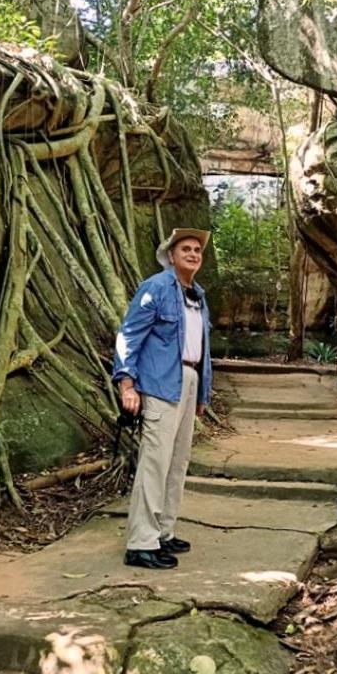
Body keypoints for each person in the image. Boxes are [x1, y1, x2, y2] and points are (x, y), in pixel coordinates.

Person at [113, 228, 212, 569]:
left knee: (178, 461)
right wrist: (127, 384)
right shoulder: (154, 288)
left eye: (197, 249)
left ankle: (163, 533)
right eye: (185, 248)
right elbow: (129, 336)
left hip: (188, 380)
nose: (193, 253)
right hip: (159, 383)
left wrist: (202, 392)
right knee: (155, 462)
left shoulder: (197, 294)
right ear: (171, 256)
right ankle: (141, 542)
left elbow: (203, 350)